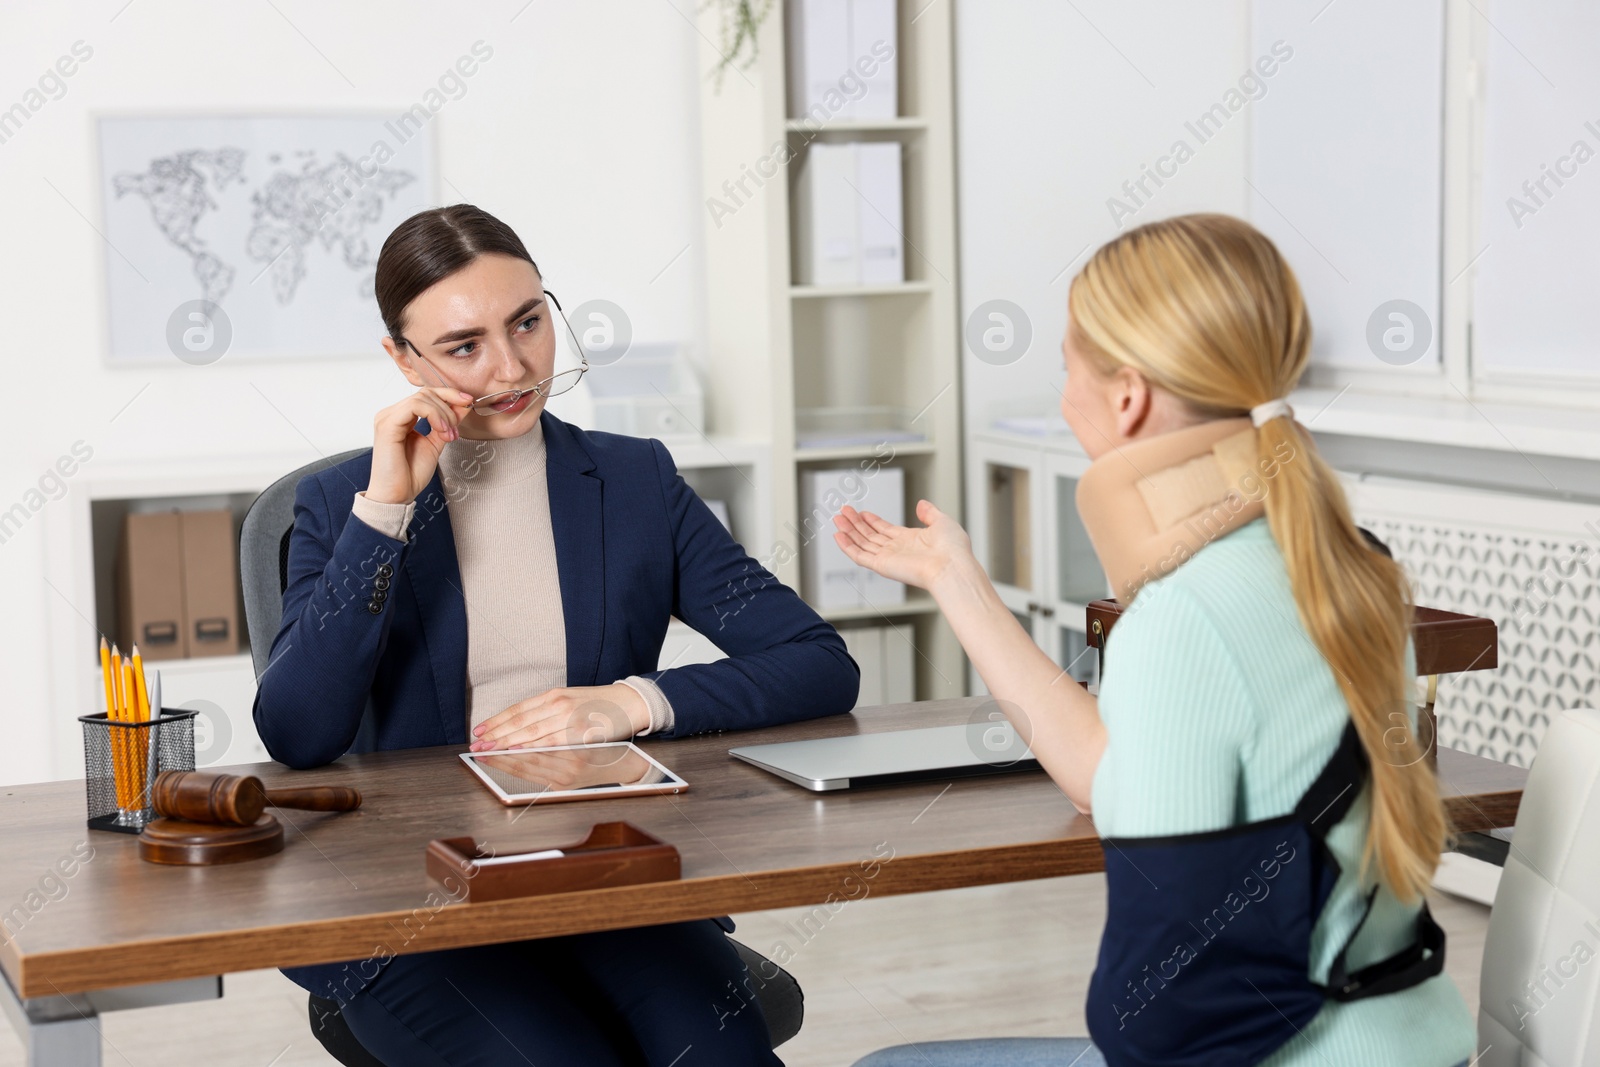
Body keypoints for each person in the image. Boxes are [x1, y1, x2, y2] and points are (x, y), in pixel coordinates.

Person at [836, 214, 1474, 1066]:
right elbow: (1115, 778)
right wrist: (959, 579)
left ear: (1128, 395)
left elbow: (1168, 1004)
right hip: (1407, 1039)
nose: (1064, 396)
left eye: (1067, 368)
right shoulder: (1349, 570)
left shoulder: (1185, 614)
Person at [252, 203, 859, 1066]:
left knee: (719, 1054)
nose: (512, 367)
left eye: (528, 322)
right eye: (465, 346)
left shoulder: (633, 478)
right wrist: (386, 510)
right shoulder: (342, 503)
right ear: (403, 360)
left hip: (596, 873)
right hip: (408, 897)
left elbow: (818, 664)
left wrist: (630, 701)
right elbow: (297, 731)